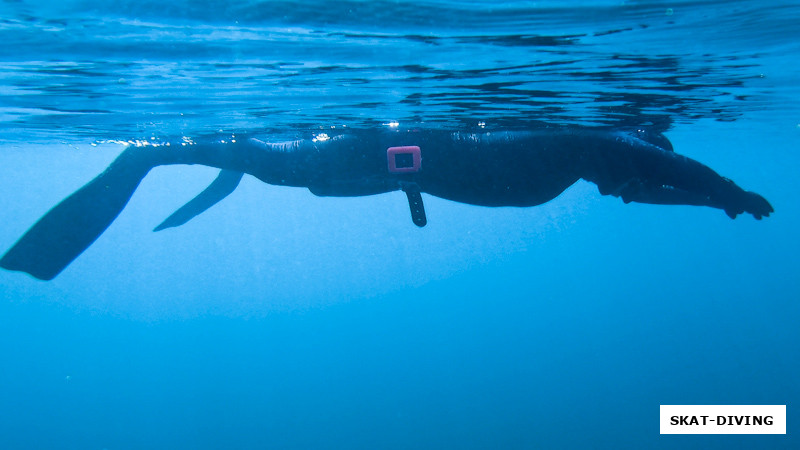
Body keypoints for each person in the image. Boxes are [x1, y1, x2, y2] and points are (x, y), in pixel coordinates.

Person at [0, 127, 773, 280]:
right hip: (372, 157)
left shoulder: (593, 158)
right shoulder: (595, 139)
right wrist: (725, 190)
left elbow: (644, 183)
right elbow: (646, 166)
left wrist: (715, 206)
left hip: (378, 170)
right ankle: (153, 154)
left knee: (266, 166)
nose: (636, 185)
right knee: (264, 162)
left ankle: (177, 154)